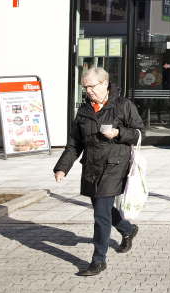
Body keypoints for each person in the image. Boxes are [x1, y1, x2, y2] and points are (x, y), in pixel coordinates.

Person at [54, 67, 145, 277]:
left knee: (100, 215)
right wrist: (62, 167)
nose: (88, 91)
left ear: (104, 84)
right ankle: (128, 230)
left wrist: (119, 133)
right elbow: (75, 142)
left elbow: (140, 133)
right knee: (102, 209)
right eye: (85, 87)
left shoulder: (123, 105)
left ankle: (98, 259)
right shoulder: (84, 110)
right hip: (91, 166)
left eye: (91, 86)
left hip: (115, 165)